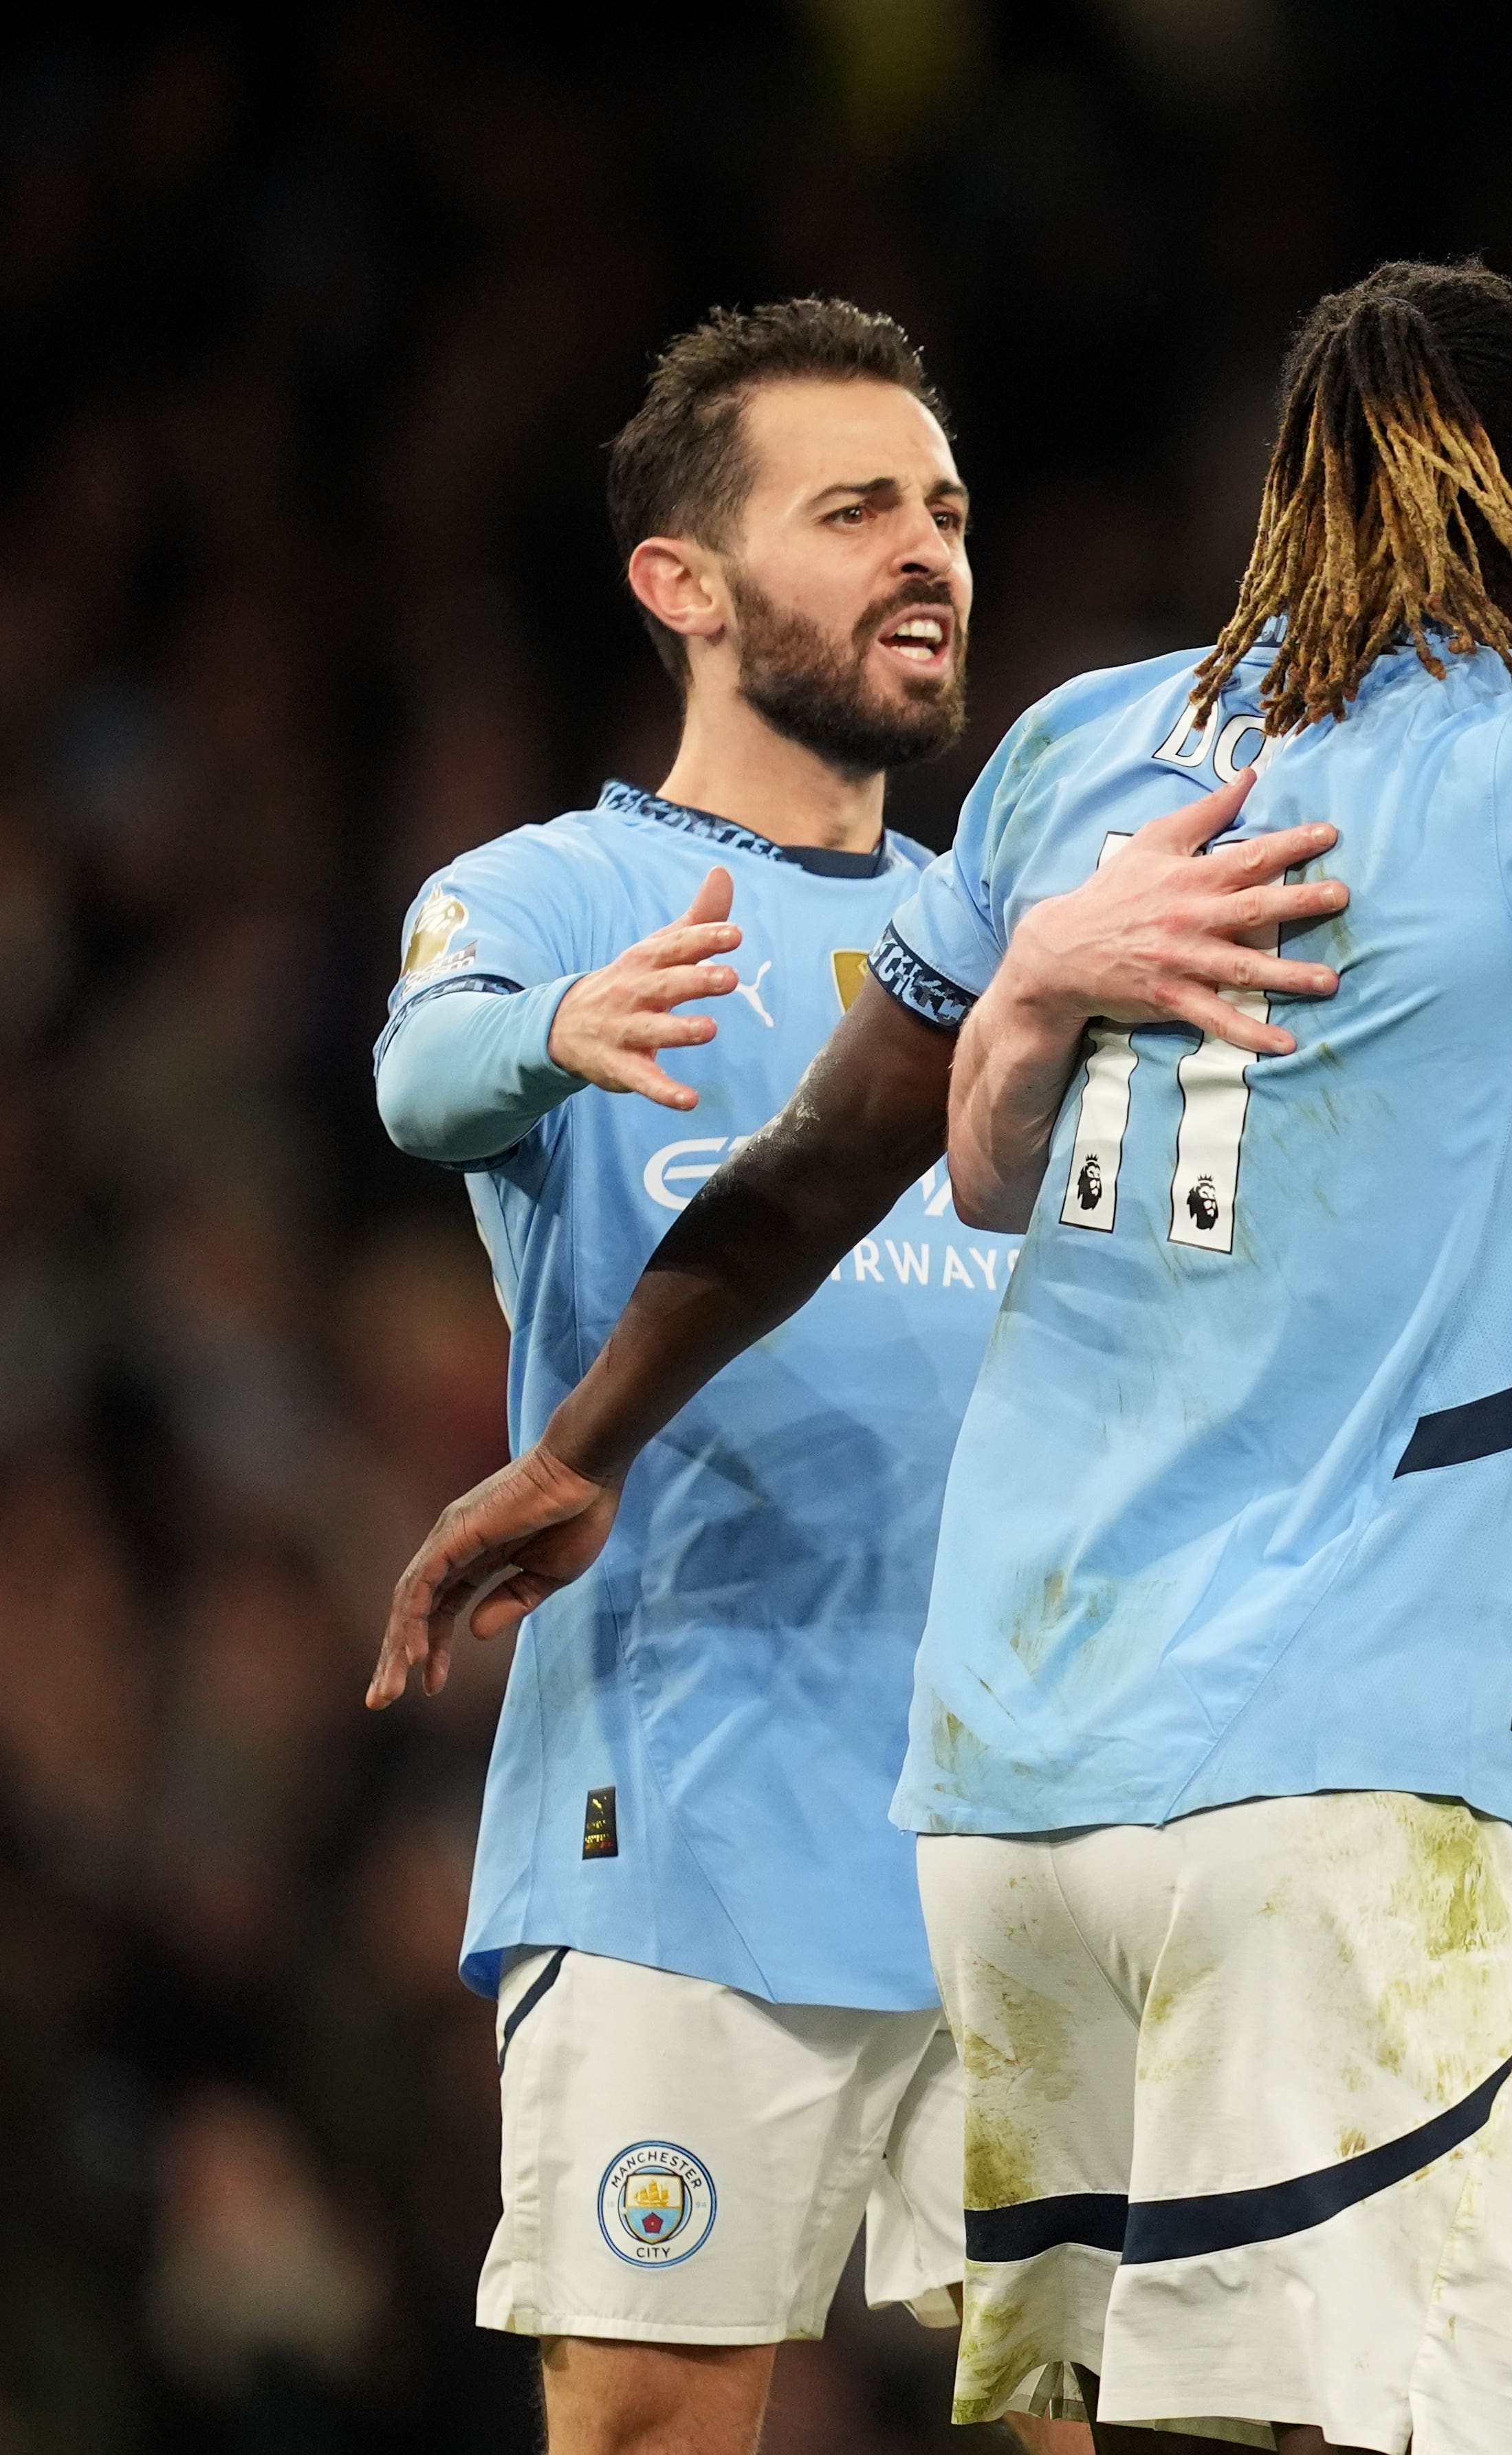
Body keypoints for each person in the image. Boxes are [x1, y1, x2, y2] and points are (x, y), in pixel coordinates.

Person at [377, 257, 1512, 2454]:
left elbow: (806, 1175)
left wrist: (586, 1441)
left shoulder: (1080, 746)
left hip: (1016, 1788)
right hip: (1344, 1776)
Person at [364, 301, 1134, 2454]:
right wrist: (553, 1035)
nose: (928, 553)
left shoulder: (1020, 936)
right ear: (681, 585)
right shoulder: (552, 893)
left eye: (948, 510)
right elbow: (426, 1080)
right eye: (855, 508)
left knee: (1084, 2423)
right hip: (691, 1817)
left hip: (1020, 1822)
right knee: (652, 2427)